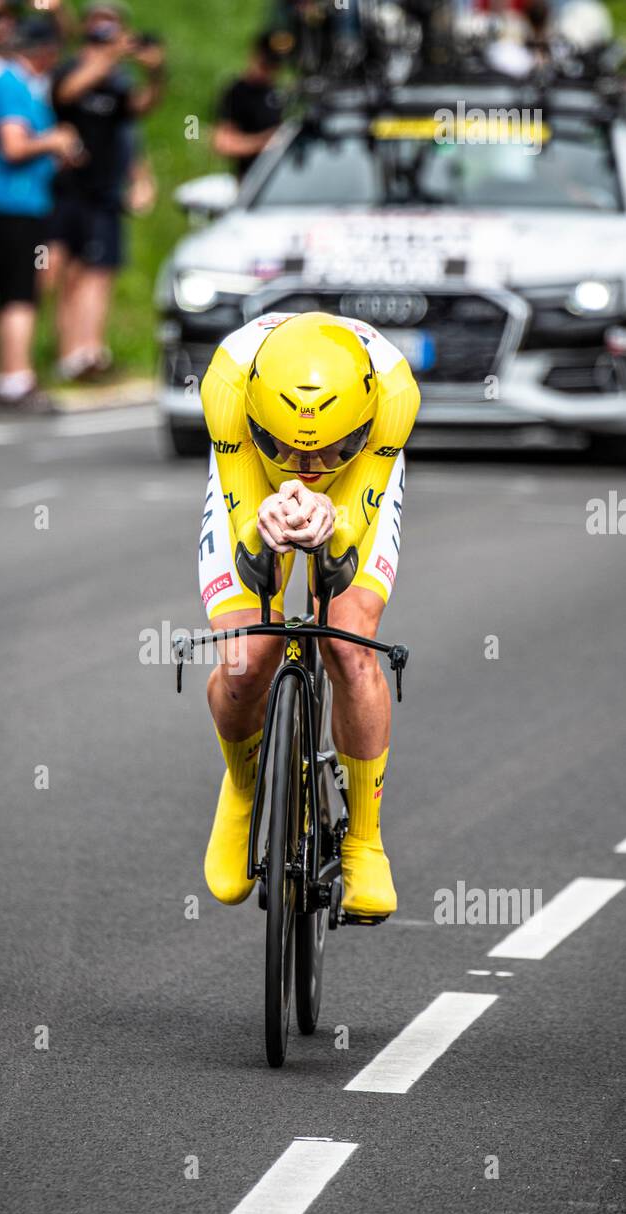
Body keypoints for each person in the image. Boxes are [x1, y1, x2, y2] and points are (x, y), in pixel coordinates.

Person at [198, 311, 420, 917]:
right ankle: (244, 789)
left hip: (359, 485)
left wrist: (336, 523)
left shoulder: (395, 391)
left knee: (348, 646)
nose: (308, 465)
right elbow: (246, 524)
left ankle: (365, 841)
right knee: (246, 659)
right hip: (251, 474)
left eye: (329, 450)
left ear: (365, 419)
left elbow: (353, 527)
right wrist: (259, 526)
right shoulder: (227, 381)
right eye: (290, 447)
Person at [0, 13, 81, 410]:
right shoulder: (12, 87)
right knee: (20, 291)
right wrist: (54, 142)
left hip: (9, 202)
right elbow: (13, 146)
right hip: (11, 204)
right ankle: (16, 378)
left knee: (10, 290)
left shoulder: (17, 85)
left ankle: (7, 374)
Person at [51, 1, 164, 382]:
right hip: (66, 190)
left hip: (104, 192)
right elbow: (66, 94)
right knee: (68, 274)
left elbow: (138, 115)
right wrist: (108, 57)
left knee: (99, 272)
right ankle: (69, 354)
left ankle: (90, 351)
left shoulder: (118, 83)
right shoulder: (70, 68)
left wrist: (154, 73)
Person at [212, 33, 285, 180]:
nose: (269, 72)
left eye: (274, 66)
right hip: (250, 182)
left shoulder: (282, 94)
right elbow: (223, 143)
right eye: (265, 65)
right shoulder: (237, 93)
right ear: (253, 56)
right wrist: (265, 143)